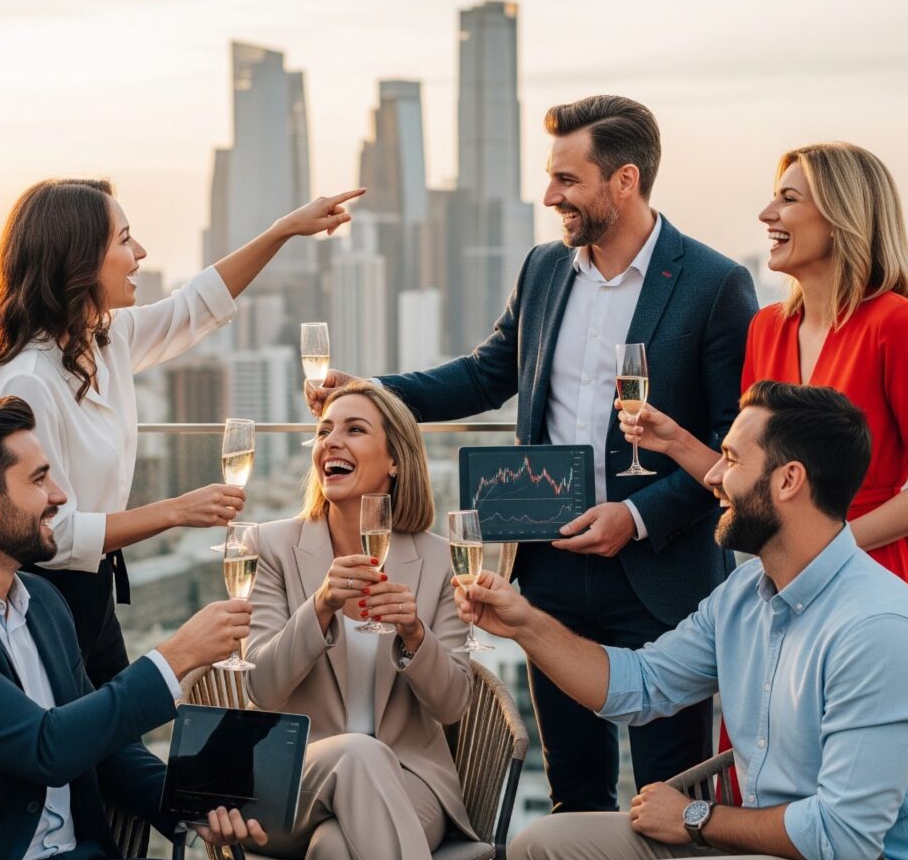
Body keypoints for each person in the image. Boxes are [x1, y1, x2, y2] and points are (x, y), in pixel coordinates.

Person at [307, 96, 758, 812]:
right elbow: (487, 374)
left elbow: (738, 444)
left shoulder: (714, 285)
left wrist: (635, 518)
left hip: (662, 575)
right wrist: (369, 391)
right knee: (575, 790)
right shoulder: (545, 269)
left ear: (625, 181)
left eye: (567, 181)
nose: (551, 197)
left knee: (668, 795)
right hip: (547, 568)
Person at [457, 381, 908, 860]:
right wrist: (524, 625)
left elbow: (843, 836)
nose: (711, 476)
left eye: (731, 459)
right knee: (541, 853)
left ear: (788, 480)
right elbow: (638, 686)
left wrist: (697, 818)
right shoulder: (744, 595)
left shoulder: (876, 627)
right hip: (772, 849)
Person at [0, 397, 308, 860]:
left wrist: (196, 807)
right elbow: (44, 746)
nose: (60, 495)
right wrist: (176, 657)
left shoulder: (43, 602)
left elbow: (106, 749)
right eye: (40, 479)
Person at [618, 142, 908, 796]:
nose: (767, 213)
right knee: (764, 772)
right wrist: (675, 441)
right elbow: (752, 480)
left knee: (849, 788)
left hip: (866, 580)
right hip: (776, 588)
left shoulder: (896, 326)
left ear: (843, 215)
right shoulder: (767, 329)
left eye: (789, 198)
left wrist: (831, 550)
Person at [0, 178, 363, 687]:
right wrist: (177, 511)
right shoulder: (27, 379)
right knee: (93, 744)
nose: (141, 253)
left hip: (94, 586)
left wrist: (284, 230)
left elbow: (193, 307)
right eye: (124, 240)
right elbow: (53, 534)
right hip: (42, 598)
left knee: (114, 742)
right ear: (80, 260)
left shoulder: (102, 340)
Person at [245, 381, 474, 860]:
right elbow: (261, 689)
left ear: (395, 460)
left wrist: (416, 635)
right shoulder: (273, 547)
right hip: (295, 785)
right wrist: (318, 608)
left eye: (353, 429)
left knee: (338, 854)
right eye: (324, 431)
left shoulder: (440, 558)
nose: (331, 442)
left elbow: (453, 704)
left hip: (408, 787)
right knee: (356, 752)